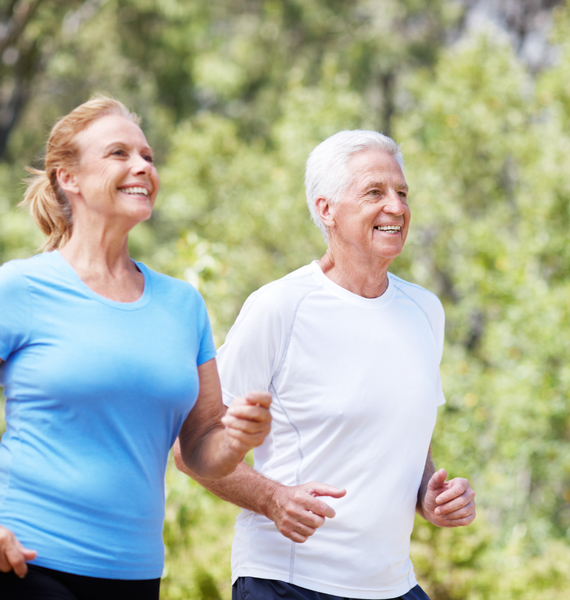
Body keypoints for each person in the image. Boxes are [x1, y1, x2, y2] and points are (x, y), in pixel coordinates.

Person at [176, 130, 476, 600]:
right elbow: (189, 444)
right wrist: (274, 499)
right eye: (374, 192)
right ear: (326, 209)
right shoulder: (280, 307)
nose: (396, 207)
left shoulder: (425, 311)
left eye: (401, 193)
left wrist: (429, 493)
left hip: (393, 586)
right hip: (288, 581)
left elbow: (406, 437)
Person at [0, 96, 272, 600]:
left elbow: (199, 448)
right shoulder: (20, 289)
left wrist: (237, 438)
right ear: (69, 178)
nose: (142, 166)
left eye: (147, 156)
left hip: (136, 576)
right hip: (26, 565)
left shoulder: (181, 304)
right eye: (119, 154)